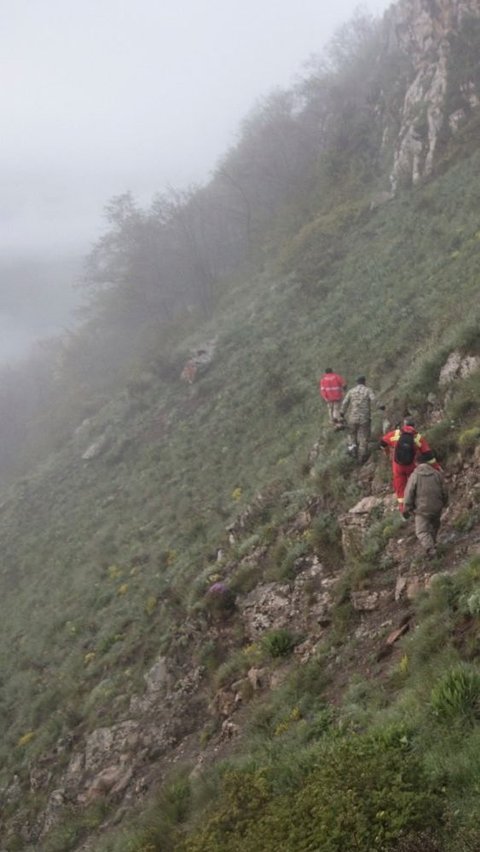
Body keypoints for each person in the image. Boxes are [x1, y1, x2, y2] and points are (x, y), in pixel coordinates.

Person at [380, 417, 440, 512]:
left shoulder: (396, 434)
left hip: (398, 466)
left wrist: (387, 452)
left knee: (400, 488)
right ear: (414, 426)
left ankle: (403, 509)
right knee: (414, 485)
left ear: (404, 425)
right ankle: (416, 505)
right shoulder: (417, 437)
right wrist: (436, 467)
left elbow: (382, 442)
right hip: (411, 466)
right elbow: (428, 454)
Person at [403, 453, 448, 557]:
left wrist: (407, 508)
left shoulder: (415, 476)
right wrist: (444, 503)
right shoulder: (437, 474)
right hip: (437, 507)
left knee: (422, 531)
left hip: (422, 509)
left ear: (416, 463)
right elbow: (445, 491)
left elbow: (409, 493)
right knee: (434, 527)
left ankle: (431, 551)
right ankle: (433, 544)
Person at [340, 376, 383, 463]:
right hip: (364, 418)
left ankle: (353, 447)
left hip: (352, 417)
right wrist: (381, 406)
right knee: (363, 437)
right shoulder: (368, 390)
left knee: (352, 434)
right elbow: (374, 400)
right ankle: (362, 457)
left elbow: (345, 402)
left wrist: (342, 412)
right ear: (364, 382)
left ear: (357, 382)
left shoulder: (351, 391)